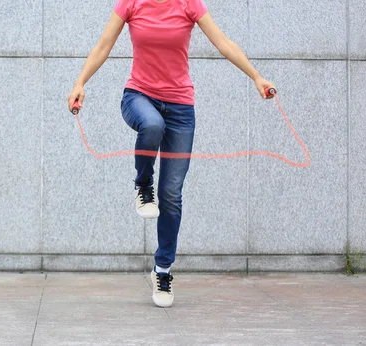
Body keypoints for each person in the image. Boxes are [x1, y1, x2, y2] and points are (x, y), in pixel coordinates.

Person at [67, 0, 275, 308]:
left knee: (173, 195)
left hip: (181, 108)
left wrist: (256, 76)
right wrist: (80, 82)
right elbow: (103, 46)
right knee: (151, 125)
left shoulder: (189, 4)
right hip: (138, 96)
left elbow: (223, 43)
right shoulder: (131, 3)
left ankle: (162, 269)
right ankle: (142, 185)